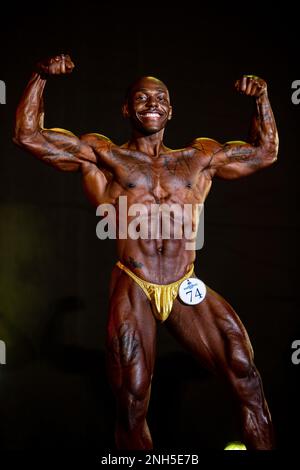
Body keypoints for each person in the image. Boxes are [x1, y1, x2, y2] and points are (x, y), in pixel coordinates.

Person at [14, 54, 279, 450]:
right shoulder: (104, 156)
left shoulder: (198, 157)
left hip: (184, 281)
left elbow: (265, 152)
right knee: (133, 396)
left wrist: (262, 98)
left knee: (245, 372)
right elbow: (28, 135)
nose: (152, 103)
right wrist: (39, 76)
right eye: (141, 97)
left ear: (170, 111)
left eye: (160, 98)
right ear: (126, 108)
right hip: (134, 280)